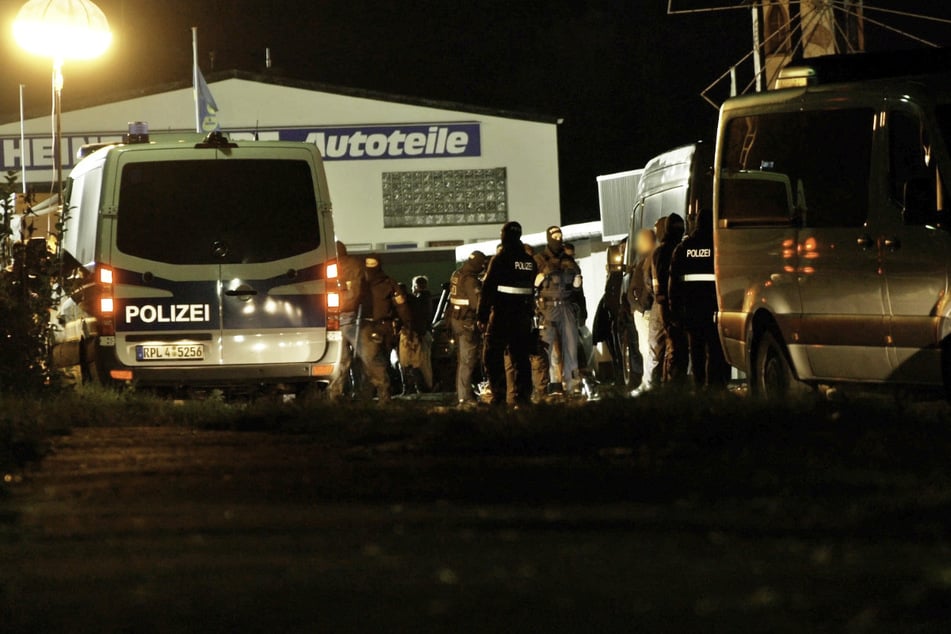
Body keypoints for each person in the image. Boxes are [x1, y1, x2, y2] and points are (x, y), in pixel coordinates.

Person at [477, 221, 537, 407]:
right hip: (523, 316)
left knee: (492, 356)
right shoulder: (529, 261)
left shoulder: (500, 259)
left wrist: (482, 316)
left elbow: (488, 289)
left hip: (502, 315)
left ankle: (500, 396)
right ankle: (523, 397)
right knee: (520, 358)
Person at [669, 208, 730, 390]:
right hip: (714, 307)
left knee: (696, 349)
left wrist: (675, 311)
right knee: (715, 348)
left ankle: (699, 385)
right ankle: (715, 386)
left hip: (691, 309)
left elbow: (674, 284)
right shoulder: (718, 247)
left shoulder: (683, 248)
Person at [535, 226, 584, 395]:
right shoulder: (539, 259)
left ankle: (572, 385)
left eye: (560, 235)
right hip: (547, 307)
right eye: (554, 236)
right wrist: (538, 280)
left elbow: (577, 283)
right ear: (548, 238)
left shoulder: (568, 260)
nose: (558, 238)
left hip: (566, 305)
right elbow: (531, 284)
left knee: (571, 347)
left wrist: (577, 284)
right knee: (544, 349)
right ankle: (542, 387)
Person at [360, 255, 413, 402]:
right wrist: (407, 323)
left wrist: (406, 323)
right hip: (375, 326)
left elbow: (401, 306)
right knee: (375, 361)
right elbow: (401, 306)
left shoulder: (369, 283)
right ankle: (374, 395)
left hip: (374, 328)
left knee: (373, 361)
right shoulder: (384, 283)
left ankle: (377, 395)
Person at [649, 213, 687, 385]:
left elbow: (656, 284)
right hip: (671, 305)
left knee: (670, 348)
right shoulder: (677, 249)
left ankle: (667, 386)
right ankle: (670, 386)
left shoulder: (662, 251)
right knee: (673, 348)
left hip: (666, 305)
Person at [328, 241, 365, 400]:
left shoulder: (330, 266)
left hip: (336, 319)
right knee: (363, 359)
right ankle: (362, 393)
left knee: (341, 361)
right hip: (355, 317)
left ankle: (337, 394)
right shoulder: (357, 264)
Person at [448, 251, 486, 405]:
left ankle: (464, 395)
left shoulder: (457, 274)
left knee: (463, 360)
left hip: (457, 321)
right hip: (467, 322)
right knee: (468, 361)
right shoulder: (471, 280)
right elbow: (477, 304)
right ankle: (465, 398)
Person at [628, 229, 656, 393]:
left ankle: (649, 383)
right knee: (646, 348)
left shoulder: (651, 259)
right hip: (642, 311)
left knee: (649, 348)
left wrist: (640, 306)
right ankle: (648, 381)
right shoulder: (643, 260)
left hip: (647, 311)